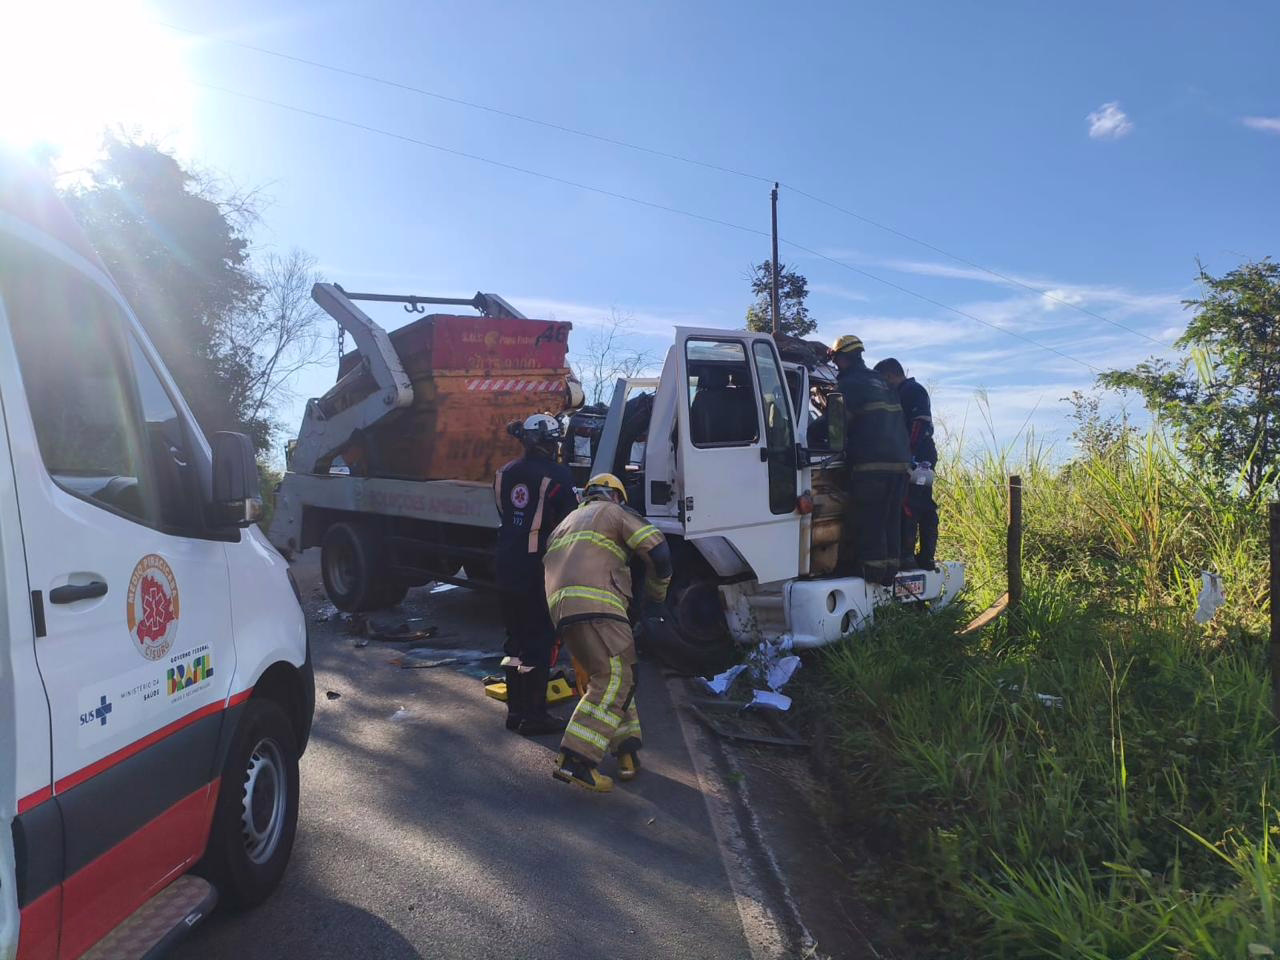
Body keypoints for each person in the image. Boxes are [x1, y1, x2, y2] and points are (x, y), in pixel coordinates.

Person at [543, 473, 672, 793]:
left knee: (610, 674)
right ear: (616, 496)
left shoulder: (564, 524)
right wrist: (656, 600)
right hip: (598, 604)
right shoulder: (613, 512)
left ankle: (626, 751)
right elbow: (658, 550)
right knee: (617, 679)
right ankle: (576, 759)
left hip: (563, 611)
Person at [494, 413, 579, 735]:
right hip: (536, 571)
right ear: (548, 442)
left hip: (505, 565)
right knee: (539, 643)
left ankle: (515, 711)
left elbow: (506, 513)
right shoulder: (557, 476)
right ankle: (535, 715)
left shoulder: (506, 472)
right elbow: (569, 521)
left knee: (514, 643)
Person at [829, 335, 911, 585]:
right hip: (900, 464)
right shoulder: (881, 382)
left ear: (842, 358)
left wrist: (811, 434)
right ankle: (890, 573)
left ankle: (872, 575)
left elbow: (835, 426)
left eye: (835, 360)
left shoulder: (849, 384)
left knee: (870, 518)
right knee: (890, 519)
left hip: (871, 465)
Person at [874, 358, 939, 570]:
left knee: (912, 504)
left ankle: (913, 556)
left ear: (890, 375)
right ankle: (920, 556)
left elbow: (919, 424)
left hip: (919, 459)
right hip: (918, 456)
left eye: (883, 380)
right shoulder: (905, 391)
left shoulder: (911, 390)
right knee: (916, 503)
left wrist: (908, 456)